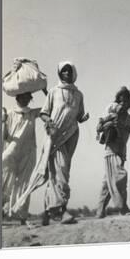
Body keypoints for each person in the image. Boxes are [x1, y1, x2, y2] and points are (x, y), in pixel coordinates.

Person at [39, 62, 89, 225]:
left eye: (69, 70)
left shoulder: (79, 94)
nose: (66, 73)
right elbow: (44, 113)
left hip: (72, 134)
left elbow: (79, 116)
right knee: (60, 170)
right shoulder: (53, 92)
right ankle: (61, 210)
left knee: (63, 171)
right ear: (60, 73)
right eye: (63, 70)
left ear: (73, 72)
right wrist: (50, 123)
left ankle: (48, 210)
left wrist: (84, 118)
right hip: (56, 134)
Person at [1, 89, 47, 228]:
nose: (26, 99)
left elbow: (49, 107)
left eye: (28, 97)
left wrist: (45, 91)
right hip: (11, 151)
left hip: (28, 151)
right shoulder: (9, 113)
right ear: (18, 97)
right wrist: (3, 121)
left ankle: (22, 217)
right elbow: (4, 136)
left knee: (24, 184)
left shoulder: (32, 113)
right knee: (5, 183)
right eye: (23, 96)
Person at [95, 87, 130, 218]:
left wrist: (125, 126)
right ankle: (122, 207)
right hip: (111, 151)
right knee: (120, 176)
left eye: (126, 101)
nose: (123, 104)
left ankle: (100, 210)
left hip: (121, 152)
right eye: (121, 101)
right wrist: (109, 124)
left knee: (107, 183)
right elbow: (99, 127)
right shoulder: (111, 115)